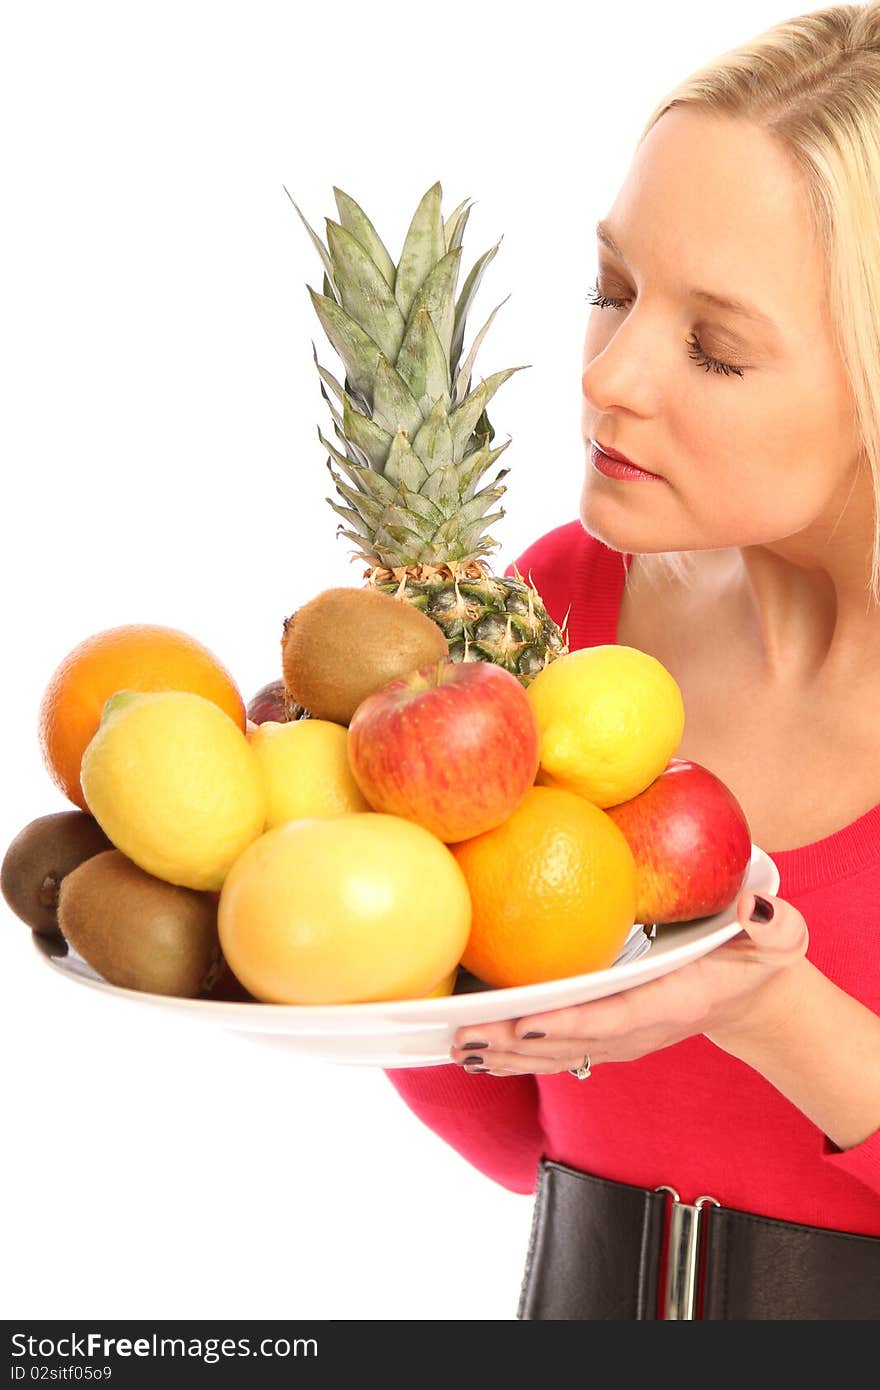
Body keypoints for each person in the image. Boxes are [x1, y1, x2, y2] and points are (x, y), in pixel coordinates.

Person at [383, 2, 880, 1320]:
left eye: (717, 345)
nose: (610, 374)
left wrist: (771, 1010)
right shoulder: (550, 613)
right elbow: (515, 1132)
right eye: (614, 285)